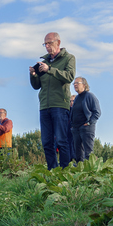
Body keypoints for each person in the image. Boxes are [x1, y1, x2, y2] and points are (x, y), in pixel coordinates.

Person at [29, 32, 76, 168]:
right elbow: (36, 86)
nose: (47, 46)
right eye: (45, 44)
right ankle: (52, 171)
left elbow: (69, 76)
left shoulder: (69, 58)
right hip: (44, 106)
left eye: (49, 43)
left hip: (60, 105)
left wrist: (50, 70)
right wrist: (33, 75)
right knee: (47, 142)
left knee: (62, 140)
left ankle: (65, 170)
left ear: (58, 43)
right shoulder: (42, 63)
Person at [69, 77, 101, 163]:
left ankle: (91, 172)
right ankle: (80, 173)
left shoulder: (90, 96)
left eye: (77, 83)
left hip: (86, 128)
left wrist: (89, 123)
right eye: (74, 83)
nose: (75, 85)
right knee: (78, 154)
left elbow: (97, 112)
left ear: (84, 85)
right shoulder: (76, 98)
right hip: (76, 129)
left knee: (88, 153)